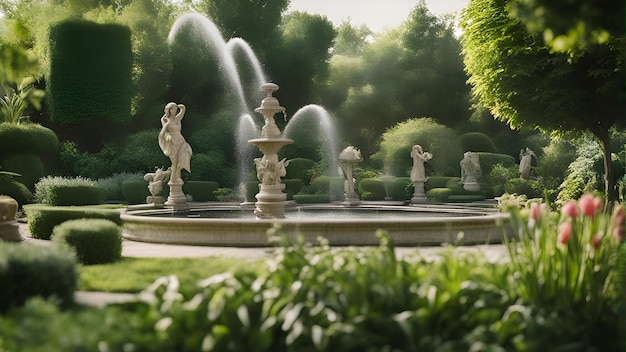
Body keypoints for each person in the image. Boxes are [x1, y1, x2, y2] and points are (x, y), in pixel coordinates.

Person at [158, 103, 192, 183]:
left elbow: (183, 109)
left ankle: (176, 180)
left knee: (182, 159)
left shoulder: (177, 119)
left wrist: (177, 105)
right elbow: (162, 135)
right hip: (173, 143)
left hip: (181, 141)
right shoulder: (167, 123)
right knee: (175, 163)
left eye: (175, 108)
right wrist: (167, 137)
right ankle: (173, 181)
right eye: (173, 108)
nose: (175, 110)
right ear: (169, 110)